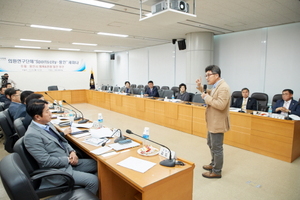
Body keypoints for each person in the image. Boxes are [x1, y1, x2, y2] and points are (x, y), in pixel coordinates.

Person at [24, 99, 98, 194]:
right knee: (93, 180)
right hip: (58, 171)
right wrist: (68, 159)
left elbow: (62, 141)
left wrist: (72, 152)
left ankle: (84, 192)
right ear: (37, 117)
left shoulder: (47, 124)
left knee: (97, 165)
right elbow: (46, 162)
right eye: (47, 111)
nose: (50, 113)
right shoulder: (32, 135)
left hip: (69, 162)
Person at [196, 65, 230, 179]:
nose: (207, 77)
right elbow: (210, 92)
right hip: (212, 122)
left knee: (217, 147)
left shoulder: (224, 87)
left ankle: (217, 171)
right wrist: (200, 87)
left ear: (216, 75)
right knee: (211, 144)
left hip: (218, 123)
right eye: (206, 75)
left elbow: (221, 105)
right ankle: (213, 164)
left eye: (208, 75)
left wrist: (206, 98)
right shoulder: (217, 86)